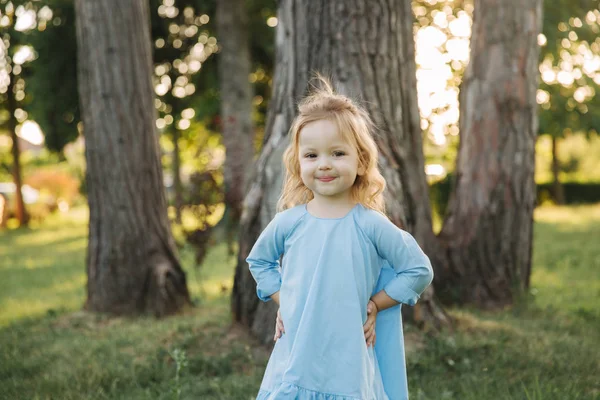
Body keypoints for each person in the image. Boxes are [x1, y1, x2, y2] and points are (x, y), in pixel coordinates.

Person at [246, 76, 434, 400]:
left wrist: (377, 304)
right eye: (312, 155)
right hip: (297, 355)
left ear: (361, 161)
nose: (324, 165)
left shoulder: (370, 225)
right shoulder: (288, 223)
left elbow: (418, 270)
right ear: (298, 162)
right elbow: (259, 261)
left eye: (337, 153)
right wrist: (285, 300)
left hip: (348, 364)